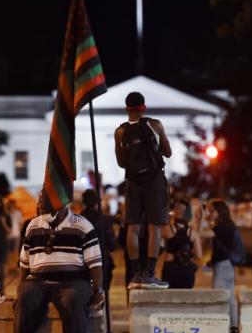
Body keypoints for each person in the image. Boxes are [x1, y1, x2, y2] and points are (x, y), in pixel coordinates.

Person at [10, 195, 105, 333]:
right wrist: (21, 289)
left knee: (74, 302)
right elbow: (24, 262)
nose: (40, 208)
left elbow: (95, 263)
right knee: (24, 301)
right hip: (38, 280)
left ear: (60, 205)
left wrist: (98, 290)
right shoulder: (33, 225)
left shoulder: (82, 225)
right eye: (40, 204)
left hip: (74, 281)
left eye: (44, 205)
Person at [114, 91, 172, 290]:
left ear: (126, 108)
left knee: (133, 227)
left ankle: (136, 273)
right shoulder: (155, 125)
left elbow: (122, 162)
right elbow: (168, 152)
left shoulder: (120, 131)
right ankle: (150, 273)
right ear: (144, 108)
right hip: (154, 180)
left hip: (133, 182)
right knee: (155, 226)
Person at [80, 189, 118, 294]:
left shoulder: (78, 220)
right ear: (97, 202)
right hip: (102, 259)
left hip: (83, 261)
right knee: (103, 291)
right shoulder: (103, 219)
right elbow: (111, 243)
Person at [208, 199, 239, 327]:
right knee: (231, 299)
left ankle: (221, 327)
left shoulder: (220, 227)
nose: (210, 213)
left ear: (219, 211)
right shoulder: (230, 225)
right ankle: (234, 328)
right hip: (230, 265)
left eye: (212, 211)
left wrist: (201, 218)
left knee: (218, 297)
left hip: (221, 266)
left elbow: (200, 234)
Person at [161, 198, 202, 289]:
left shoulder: (166, 229)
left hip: (170, 269)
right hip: (187, 269)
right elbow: (199, 255)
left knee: (169, 299)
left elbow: (157, 248)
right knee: (186, 299)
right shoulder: (193, 232)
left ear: (175, 211)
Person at [7, 199, 24, 274]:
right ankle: (10, 266)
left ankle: (15, 266)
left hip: (16, 235)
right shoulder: (6, 213)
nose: (10, 206)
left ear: (14, 205)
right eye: (9, 204)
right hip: (7, 236)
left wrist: (19, 231)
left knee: (15, 251)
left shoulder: (18, 213)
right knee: (9, 252)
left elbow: (21, 223)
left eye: (11, 204)